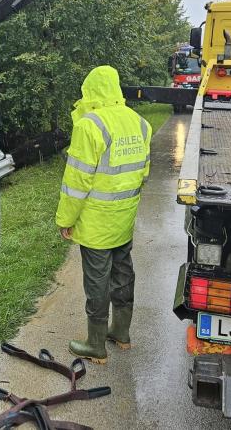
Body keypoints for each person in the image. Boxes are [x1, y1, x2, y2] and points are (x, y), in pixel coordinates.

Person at [56, 65, 151, 364]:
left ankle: (96, 344)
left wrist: (65, 220)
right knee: (123, 272)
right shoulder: (139, 123)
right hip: (124, 219)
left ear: (90, 90)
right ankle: (121, 333)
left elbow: (77, 181)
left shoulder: (89, 125)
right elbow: (143, 173)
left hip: (97, 223)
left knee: (97, 281)